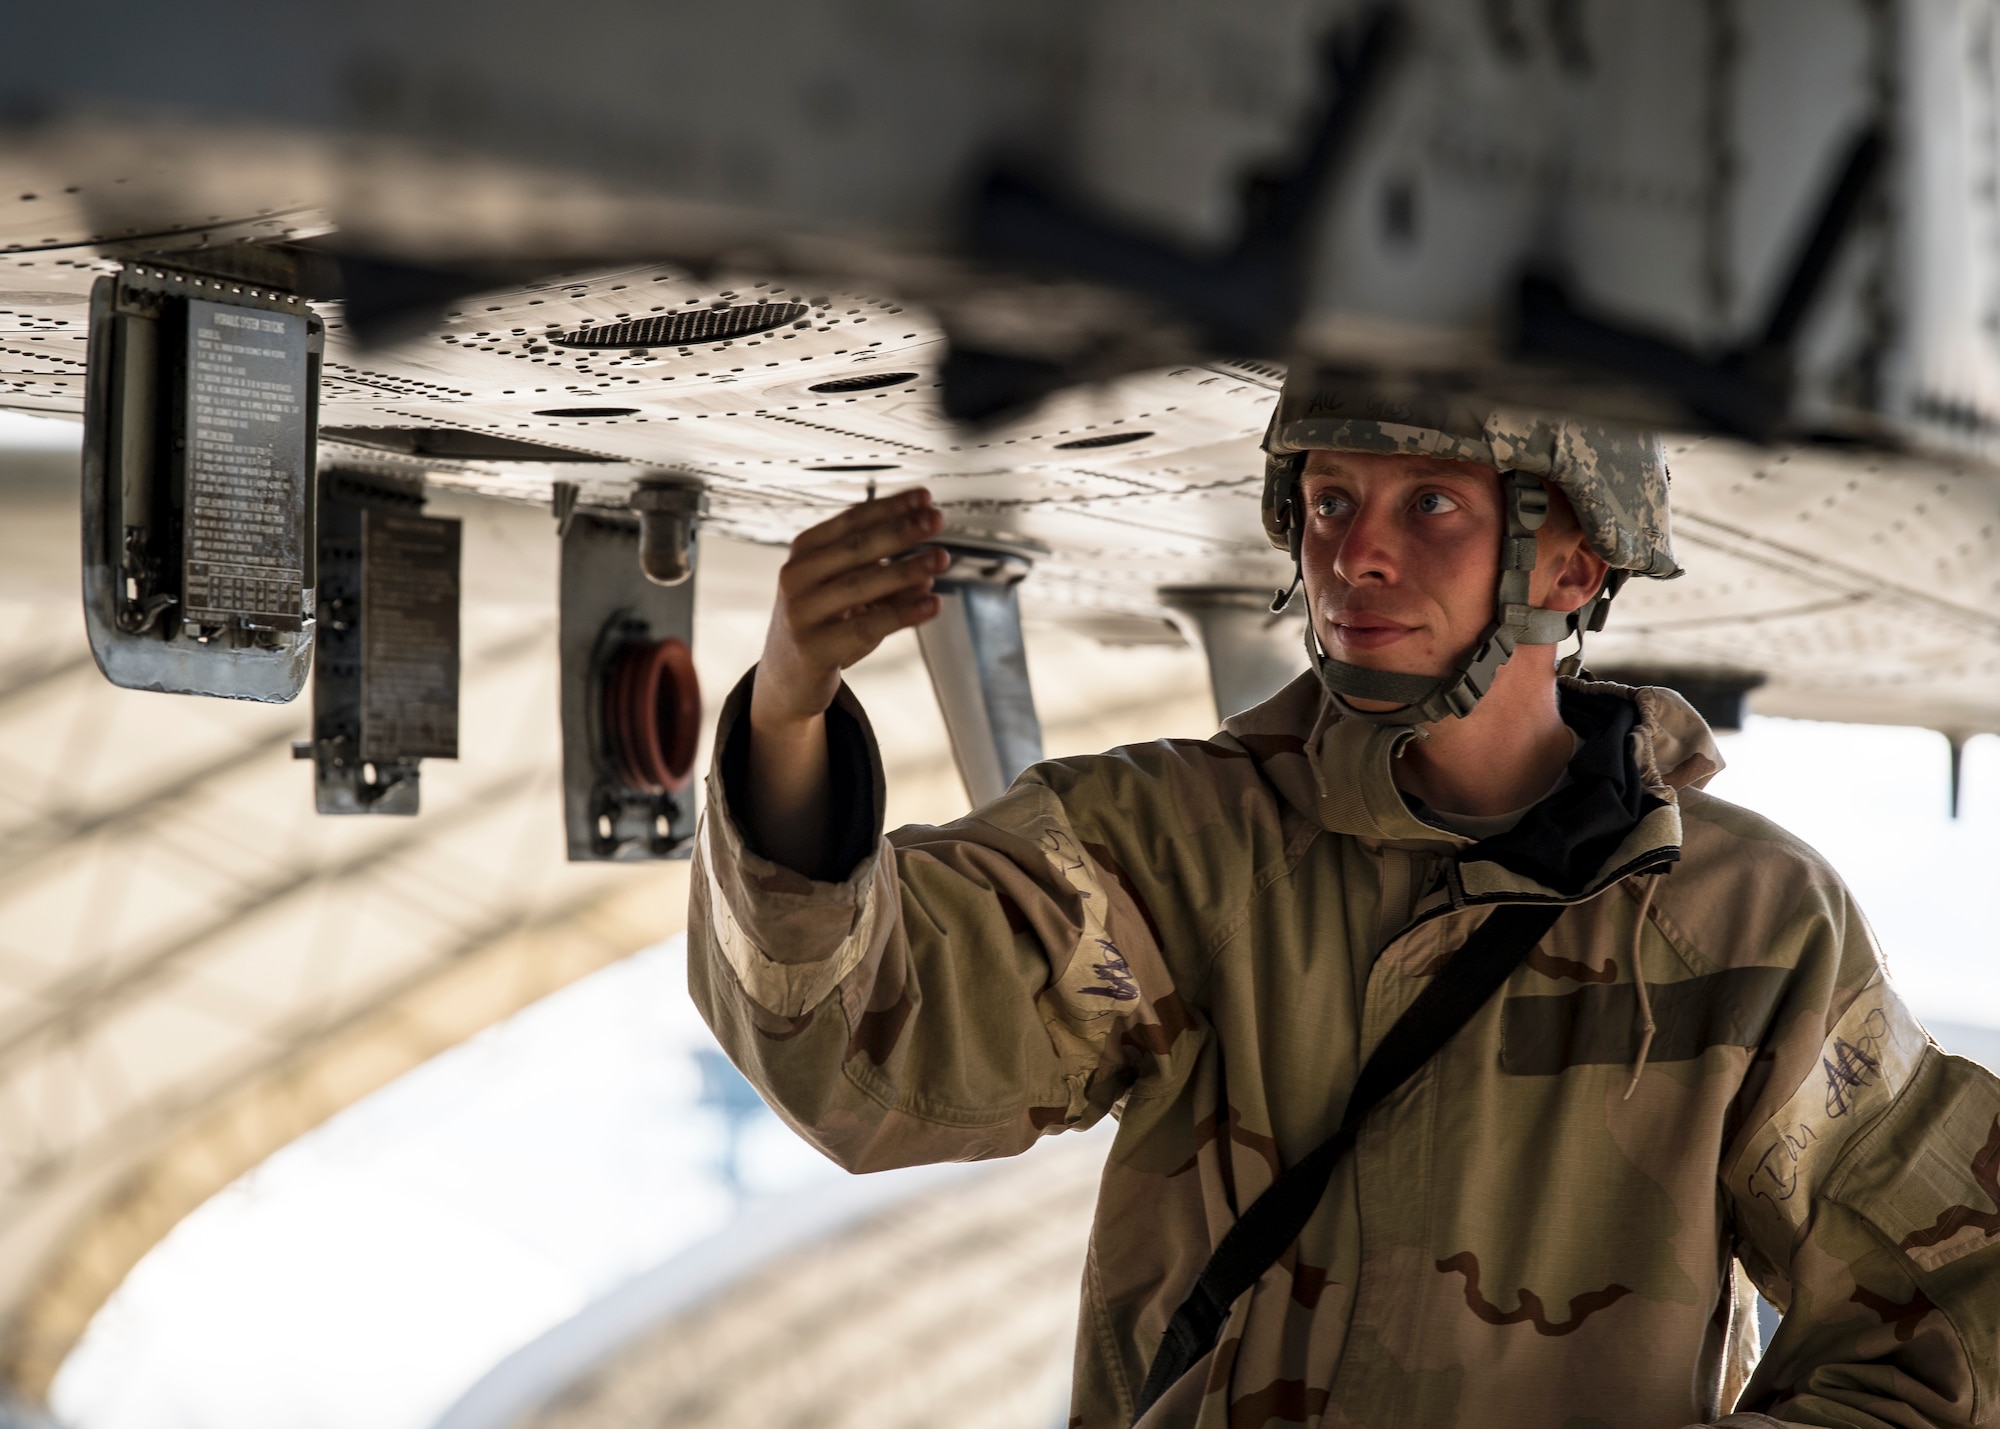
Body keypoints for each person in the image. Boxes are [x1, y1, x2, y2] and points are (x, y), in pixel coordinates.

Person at [688, 373, 2000, 1429]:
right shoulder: (1180, 844)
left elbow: (1952, 1310)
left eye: (1430, 503)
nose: (1354, 554)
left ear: (1570, 562)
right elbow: (870, 1047)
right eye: (1326, 501)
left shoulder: (1747, 926)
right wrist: (790, 714)